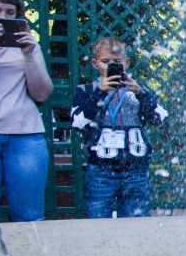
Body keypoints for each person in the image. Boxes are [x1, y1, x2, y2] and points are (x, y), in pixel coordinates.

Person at [71, 36, 169, 219]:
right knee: (99, 223)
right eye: (105, 61)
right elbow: (77, 123)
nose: (111, 66)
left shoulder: (139, 91)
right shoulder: (87, 90)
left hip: (136, 170)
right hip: (101, 171)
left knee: (136, 224)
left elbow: (163, 120)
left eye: (117, 62)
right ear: (95, 63)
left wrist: (141, 94)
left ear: (127, 63)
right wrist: (100, 92)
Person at [0, 0, 52, 220]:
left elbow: (41, 93)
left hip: (25, 137)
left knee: (29, 220)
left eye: (10, 13)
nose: (3, 17)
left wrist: (29, 54)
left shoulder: (28, 45)